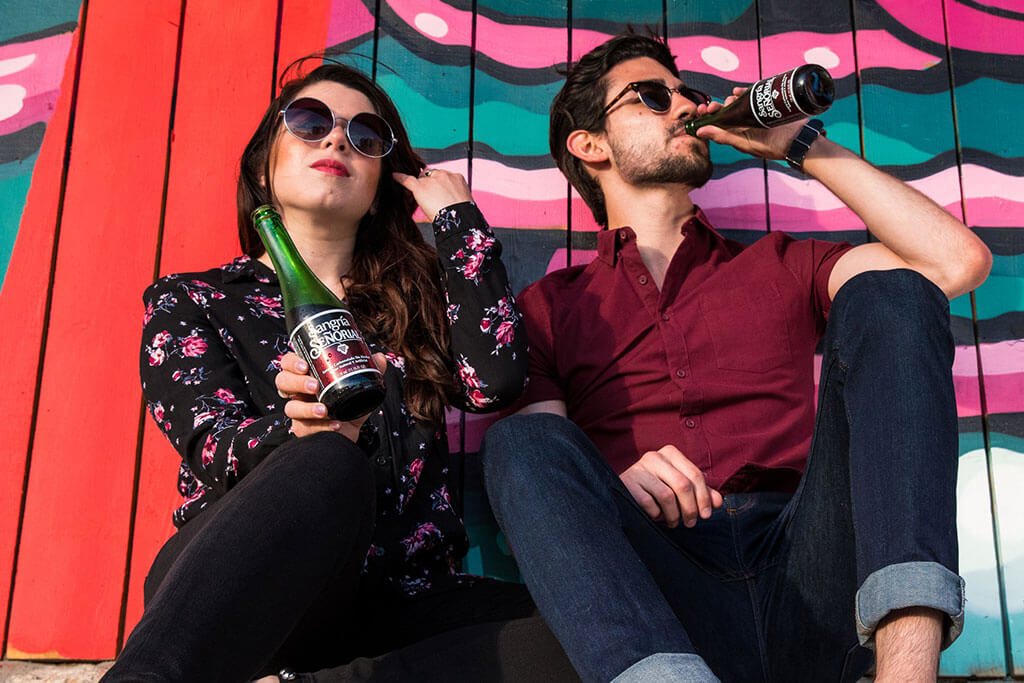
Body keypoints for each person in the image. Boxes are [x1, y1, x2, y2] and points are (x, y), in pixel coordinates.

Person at [480, 31, 992, 683]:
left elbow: (953, 264)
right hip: (662, 596)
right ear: (589, 144)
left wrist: (803, 145)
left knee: (893, 289)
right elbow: (549, 465)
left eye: (687, 94)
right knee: (521, 439)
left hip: (809, 567)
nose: (683, 106)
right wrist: (620, 477)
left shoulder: (781, 261)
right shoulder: (550, 303)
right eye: (651, 97)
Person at [103, 60, 576, 683]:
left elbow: (497, 380)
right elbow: (210, 447)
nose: (335, 140)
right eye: (309, 122)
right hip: (252, 592)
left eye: (366, 136)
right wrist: (295, 433)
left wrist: (458, 220)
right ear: (263, 163)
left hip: (404, 598)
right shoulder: (193, 299)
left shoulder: (419, 303)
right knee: (327, 460)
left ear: (384, 179)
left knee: (595, 635)